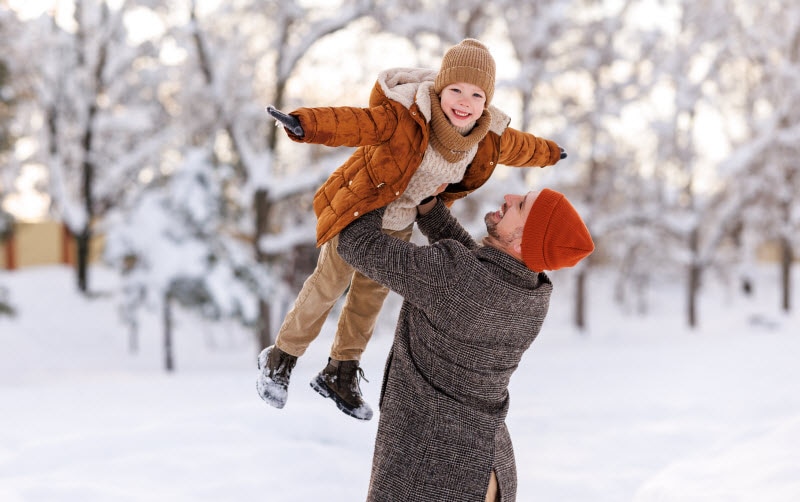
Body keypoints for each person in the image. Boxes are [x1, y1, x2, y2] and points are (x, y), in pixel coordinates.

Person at [257, 39, 567, 420]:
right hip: (362, 209)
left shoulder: (486, 138)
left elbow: (521, 147)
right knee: (327, 286)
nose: (464, 101)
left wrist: (551, 152)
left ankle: (341, 372)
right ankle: (280, 358)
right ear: (440, 89)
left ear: (486, 101)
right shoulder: (406, 116)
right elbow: (356, 123)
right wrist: (305, 124)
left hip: (400, 223)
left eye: (476, 93)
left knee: (368, 302)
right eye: (455, 89)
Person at [336, 189, 594, 501]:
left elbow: (356, 243)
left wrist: (380, 184)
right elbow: (471, 271)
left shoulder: (456, 279)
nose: (509, 197)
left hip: (434, 467)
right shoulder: (533, 293)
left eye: (521, 205)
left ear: (522, 243)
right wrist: (431, 211)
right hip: (488, 465)